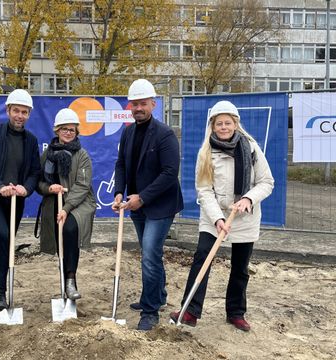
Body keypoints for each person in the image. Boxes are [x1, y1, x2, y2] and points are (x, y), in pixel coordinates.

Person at [169, 100, 274, 332]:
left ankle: (236, 313)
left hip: (244, 217)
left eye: (228, 123)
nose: (223, 127)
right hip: (213, 217)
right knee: (202, 260)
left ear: (235, 124)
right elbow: (204, 190)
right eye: (219, 123)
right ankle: (190, 311)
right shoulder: (205, 152)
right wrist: (217, 218)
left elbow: (266, 182)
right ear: (212, 126)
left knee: (240, 267)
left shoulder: (252, 148)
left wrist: (248, 199)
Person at [112, 79, 184, 331]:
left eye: (143, 103)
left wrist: (141, 197)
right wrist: (120, 192)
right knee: (149, 252)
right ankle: (159, 296)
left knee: (150, 254)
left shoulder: (164, 134)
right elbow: (121, 165)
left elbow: (169, 172)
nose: (138, 108)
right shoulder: (128, 132)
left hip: (160, 205)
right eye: (134, 104)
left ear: (153, 104)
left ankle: (150, 310)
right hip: (135, 205)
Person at [0, 89, 41, 312]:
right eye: (16, 111)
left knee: (7, 243)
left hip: (14, 201)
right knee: (1, 235)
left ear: (29, 114)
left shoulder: (31, 141)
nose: (20, 116)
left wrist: (26, 189)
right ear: (8, 111)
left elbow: (34, 172)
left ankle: (1, 293)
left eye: (24, 112)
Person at [37, 108, 96, 300]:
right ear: (57, 131)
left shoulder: (82, 155)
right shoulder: (48, 154)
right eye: (64, 129)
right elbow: (39, 182)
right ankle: (64, 280)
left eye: (72, 129)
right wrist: (49, 188)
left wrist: (66, 208)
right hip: (53, 202)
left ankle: (71, 280)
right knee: (59, 241)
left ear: (77, 132)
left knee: (70, 230)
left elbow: (82, 185)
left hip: (78, 203)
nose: (68, 132)